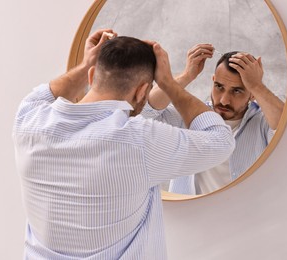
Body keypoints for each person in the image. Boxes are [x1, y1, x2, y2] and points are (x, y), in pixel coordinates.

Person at [12, 30, 235, 259]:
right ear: (142, 92)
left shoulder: (29, 120)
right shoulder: (138, 140)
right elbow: (220, 140)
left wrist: (88, 62)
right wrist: (168, 83)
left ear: (91, 77)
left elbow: (43, 96)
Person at [142, 43, 284, 195]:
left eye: (237, 91)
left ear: (252, 94)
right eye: (219, 87)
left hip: (244, 215)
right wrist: (187, 75)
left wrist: (257, 85)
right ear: (213, 80)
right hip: (190, 214)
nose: (224, 100)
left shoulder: (262, 121)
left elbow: (286, 128)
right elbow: (146, 113)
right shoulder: (191, 114)